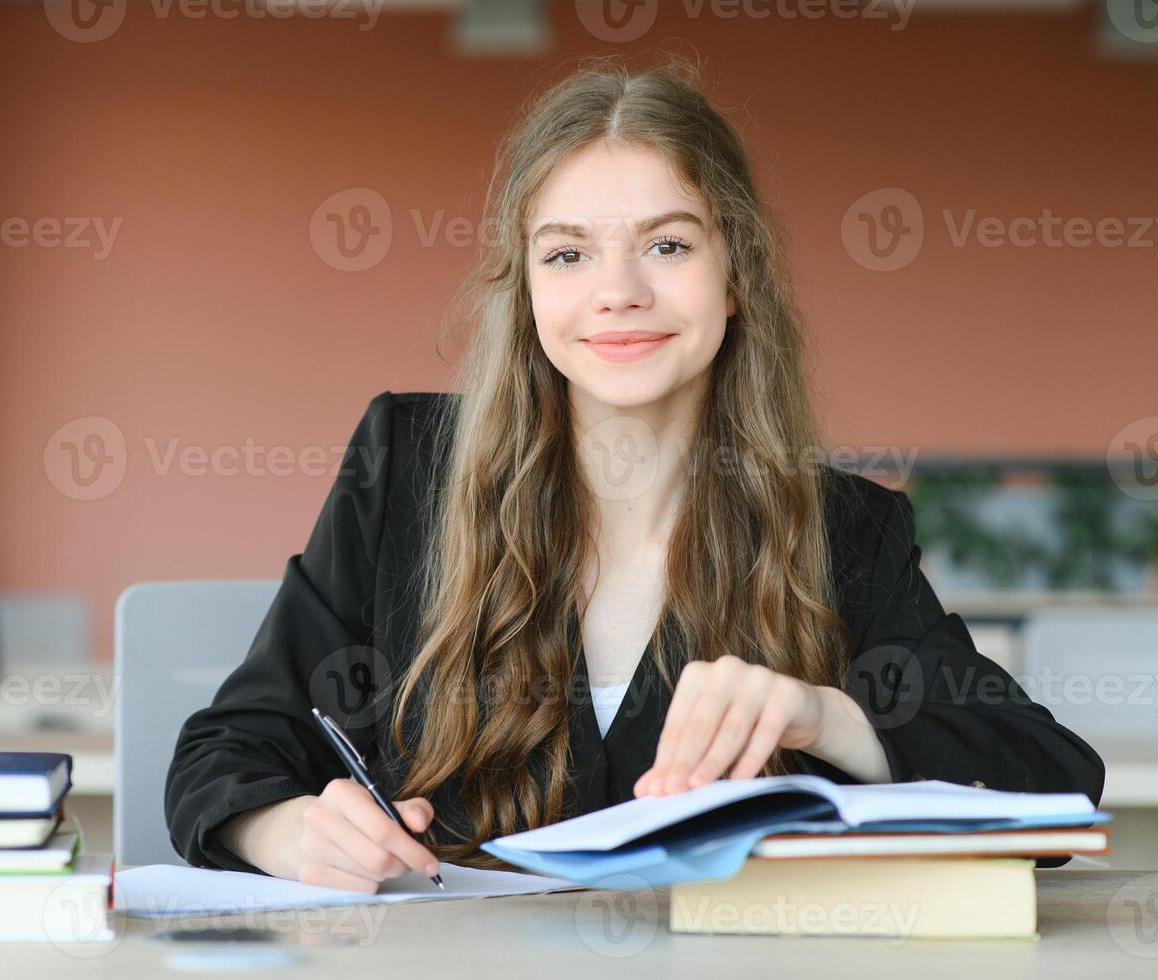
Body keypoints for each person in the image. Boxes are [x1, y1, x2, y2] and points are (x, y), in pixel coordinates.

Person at [165, 56, 1104, 893]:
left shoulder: (843, 529)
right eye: (568, 253)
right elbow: (229, 751)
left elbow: (1055, 783)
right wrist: (291, 831)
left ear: (733, 279)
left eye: (666, 244)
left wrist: (826, 716)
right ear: (527, 292)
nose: (617, 290)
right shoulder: (405, 464)